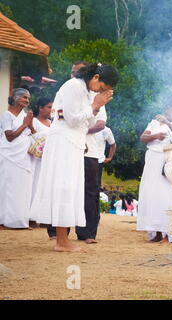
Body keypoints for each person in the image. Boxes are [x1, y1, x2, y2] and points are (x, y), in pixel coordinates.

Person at [30, 63, 119, 252]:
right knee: (64, 187)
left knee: (72, 189)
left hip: (75, 142)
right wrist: (95, 105)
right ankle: (61, 241)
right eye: (102, 87)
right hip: (63, 142)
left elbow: (88, 121)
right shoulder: (73, 86)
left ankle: (63, 239)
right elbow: (70, 119)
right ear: (95, 77)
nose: (100, 91)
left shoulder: (86, 91)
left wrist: (96, 107)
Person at [136, 101, 172, 243]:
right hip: (153, 160)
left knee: (168, 196)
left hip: (169, 160)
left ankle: (169, 233)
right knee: (152, 195)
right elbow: (143, 138)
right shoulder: (154, 122)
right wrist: (156, 136)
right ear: (167, 109)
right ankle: (156, 233)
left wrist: (167, 123)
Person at [75, 62, 109, 245]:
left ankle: (88, 233)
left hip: (91, 152)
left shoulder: (97, 97)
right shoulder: (76, 93)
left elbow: (101, 124)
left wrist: (82, 131)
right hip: (73, 148)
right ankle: (63, 230)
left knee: (90, 192)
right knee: (72, 189)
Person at [0, 88, 35, 229]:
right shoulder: (7, 115)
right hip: (9, 156)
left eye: (28, 98)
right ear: (15, 98)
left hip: (24, 157)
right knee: (7, 188)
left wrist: (30, 125)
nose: (27, 100)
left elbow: (33, 134)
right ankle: (4, 221)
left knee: (22, 188)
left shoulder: (25, 116)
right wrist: (25, 124)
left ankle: (20, 220)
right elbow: (9, 136)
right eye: (24, 97)